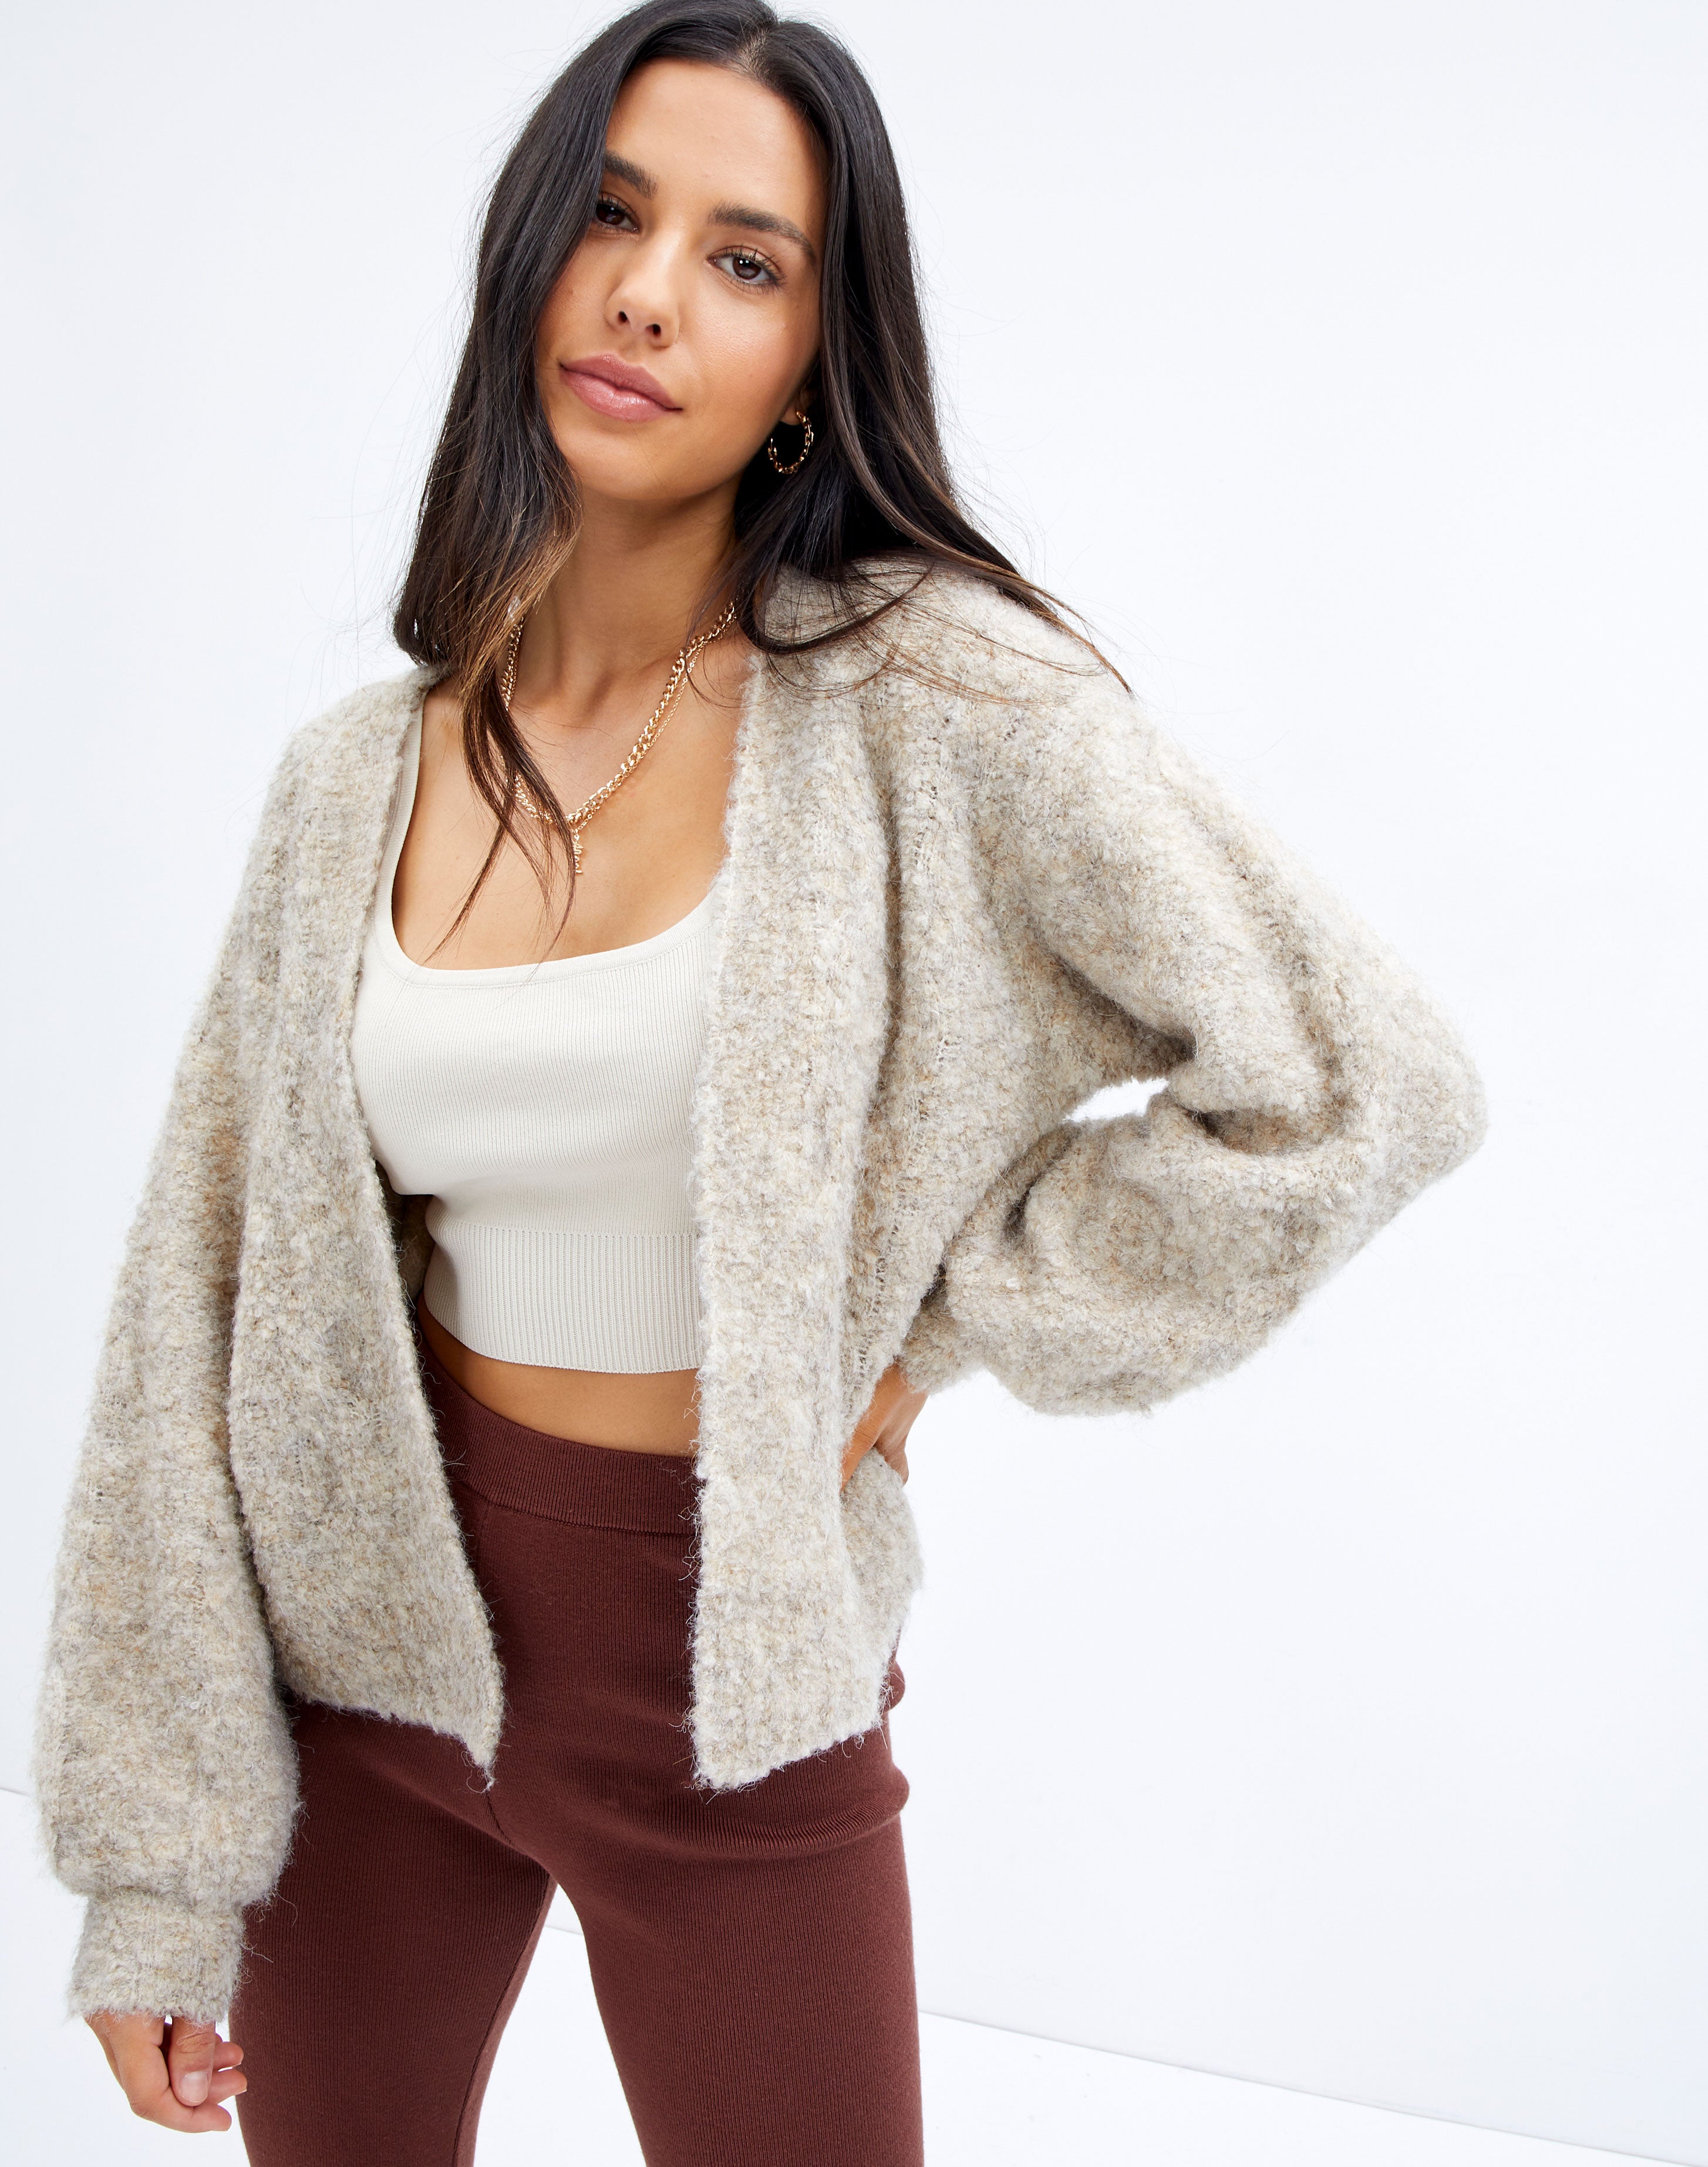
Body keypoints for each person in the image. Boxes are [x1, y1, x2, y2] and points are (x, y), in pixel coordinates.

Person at [32, 4, 1487, 2161]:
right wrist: (154, 1872)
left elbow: (1359, 1080)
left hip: (721, 1682)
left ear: (813, 353)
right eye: (611, 217)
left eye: (744, 258)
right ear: (531, 254)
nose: (649, 292)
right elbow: (199, 1308)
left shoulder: (937, 698)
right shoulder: (351, 777)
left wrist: (949, 1322)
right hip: (360, 1664)